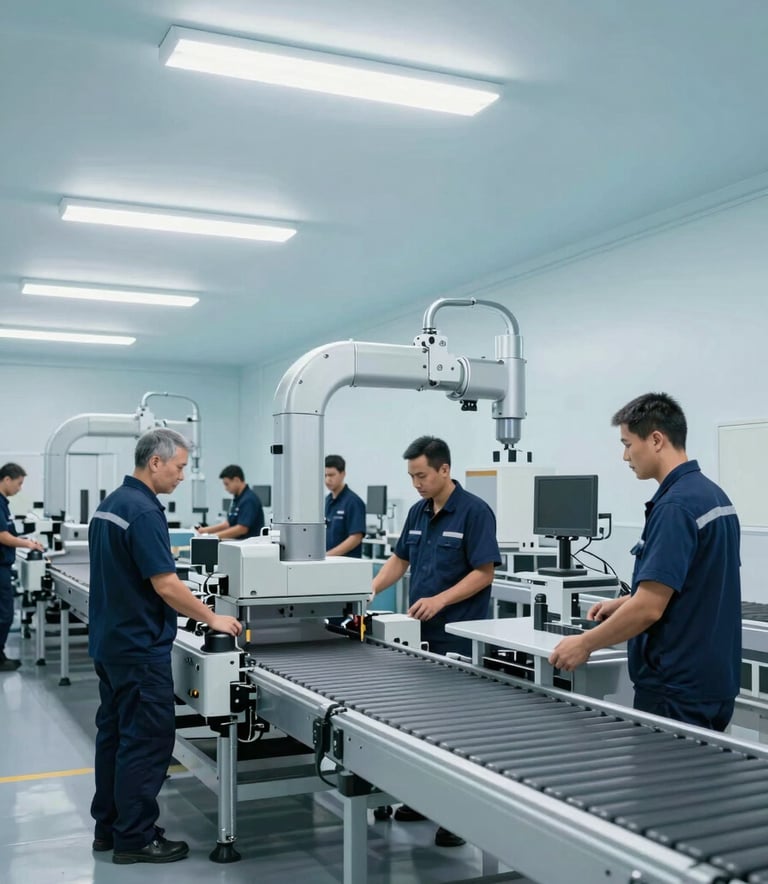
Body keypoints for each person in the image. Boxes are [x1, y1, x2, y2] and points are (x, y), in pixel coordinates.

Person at [88, 429, 242, 864]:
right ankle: (135, 838)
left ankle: (109, 829)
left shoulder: (112, 504)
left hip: (111, 644)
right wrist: (212, 618)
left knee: (114, 737)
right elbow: (167, 585)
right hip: (138, 649)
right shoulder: (143, 512)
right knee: (146, 741)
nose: (181, 476)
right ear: (155, 462)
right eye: (178, 467)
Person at [548, 392, 741, 733]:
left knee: (666, 784)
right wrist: (625, 602)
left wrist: (584, 644)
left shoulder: (675, 507)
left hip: (675, 689)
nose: (625, 456)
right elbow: (696, 583)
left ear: (656, 439)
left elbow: (650, 609)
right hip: (713, 682)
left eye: (627, 444)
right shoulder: (713, 496)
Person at [370, 436, 500, 847]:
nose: (417, 484)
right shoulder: (418, 511)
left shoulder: (475, 513)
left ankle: (457, 817)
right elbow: (400, 559)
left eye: (422, 475)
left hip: (458, 637)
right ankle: (425, 801)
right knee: (422, 725)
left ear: (445, 470)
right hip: (418, 637)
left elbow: (484, 572)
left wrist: (441, 599)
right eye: (411, 477)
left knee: (457, 730)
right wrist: (368, 589)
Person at [0, 463, 45, 672]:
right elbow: (2, 536)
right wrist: (28, 544)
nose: (20, 488)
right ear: (6, 479)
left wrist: (24, 539)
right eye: (19, 484)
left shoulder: (4, 504)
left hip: (3, 566)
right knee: (4, 614)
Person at [197, 464, 265, 540]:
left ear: (237, 480)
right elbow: (228, 523)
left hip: (249, 546)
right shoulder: (237, 499)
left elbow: (242, 528)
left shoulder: (249, 499)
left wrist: (214, 536)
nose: (226, 488)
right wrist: (205, 530)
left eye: (227, 484)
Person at [324, 455, 366, 557]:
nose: (327, 479)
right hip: (328, 562)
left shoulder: (353, 502)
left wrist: (329, 555)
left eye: (331, 475)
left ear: (343, 474)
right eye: (325, 475)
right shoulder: (327, 501)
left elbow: (356, 537)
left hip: (346, 564)